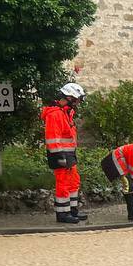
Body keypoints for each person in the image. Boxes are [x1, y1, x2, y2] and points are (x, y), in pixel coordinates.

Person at [41, 82, 88, 224]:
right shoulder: (55, 114)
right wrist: (60, 157)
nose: (78, 103)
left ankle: (72, 211)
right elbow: (53, 138)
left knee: (74, 181)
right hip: (60, 155)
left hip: (69, 154)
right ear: (69, 98)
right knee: (63, 184)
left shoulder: (66, 113)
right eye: (77, 100)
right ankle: (62, 214)